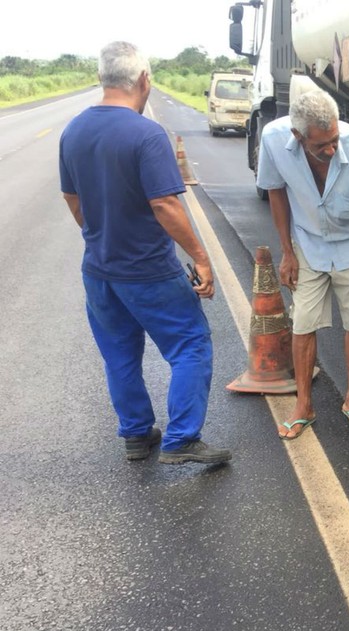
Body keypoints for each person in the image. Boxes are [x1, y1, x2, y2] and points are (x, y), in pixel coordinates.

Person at [59, 41, 231, 465]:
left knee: (119, 354)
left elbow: (72, 199)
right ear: (143, 80)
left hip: (98, 271)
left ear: (102, 78)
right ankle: (182, 438)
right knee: (190, 344)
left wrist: (102, 235)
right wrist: (201, 258)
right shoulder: (146, 134)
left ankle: (136, 434)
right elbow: (165, 204)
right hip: (149, 271)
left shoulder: (73, 130)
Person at [257, 90, 349, 439]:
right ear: (298, 135)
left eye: (334, 139)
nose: (331, 149)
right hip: (309, 244)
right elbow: (276, 192)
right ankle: (303, 406)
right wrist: (287, 252)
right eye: (321, 144)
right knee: (302, 324)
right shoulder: (274, 139)